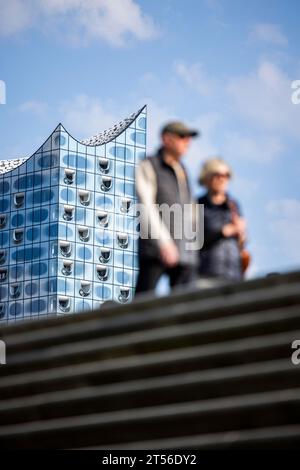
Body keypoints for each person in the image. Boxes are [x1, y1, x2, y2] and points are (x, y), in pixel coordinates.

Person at [135, 121, 199, 294]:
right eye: (182, 137)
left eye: (188, 138)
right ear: (167, 139)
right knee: (144, 303)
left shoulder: (183, 170)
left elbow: (191, 210)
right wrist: (163, 243)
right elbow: (146, 207)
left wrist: (193, 248)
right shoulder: (149, 165)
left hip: (184, 253)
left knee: (183, 310)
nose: (187, 142)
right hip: (155, 249)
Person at [197, 158, 247, 281]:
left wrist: (241, 234)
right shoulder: (196, 204)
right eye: (217, 175)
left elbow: (241, 243)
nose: (222, 179)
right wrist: (223, 231)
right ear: (206, 177)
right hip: (206, 274)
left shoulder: (234, 205)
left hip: (233, 274)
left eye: (226, 175)